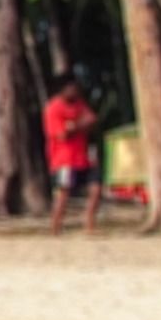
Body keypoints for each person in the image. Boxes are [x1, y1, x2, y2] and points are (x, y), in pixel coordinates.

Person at [42, 79, 104, 235]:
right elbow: (62, 134)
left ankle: (89, 223)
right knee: (63, 193)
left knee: (96, 188)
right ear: (62, 90)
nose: (74, 92)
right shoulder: (53, 108)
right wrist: (79, 125)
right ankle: (55, 226)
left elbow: (92, 120)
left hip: (83, 156)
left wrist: (75, 126)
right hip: (64, 159)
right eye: (70, 88)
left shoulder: (80, 105)